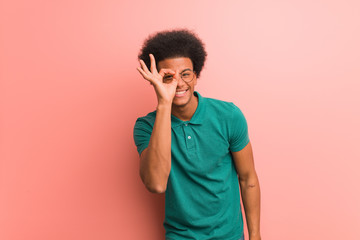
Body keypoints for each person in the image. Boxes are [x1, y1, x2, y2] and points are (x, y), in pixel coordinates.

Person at [133, 29, 261, 240]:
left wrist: (255, 237)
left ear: (196, 75)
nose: (180, 83)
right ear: (155, 80)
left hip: (230, 236)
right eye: (169, 77)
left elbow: (248, 179)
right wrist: (164, 102)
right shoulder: (146, 127)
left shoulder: (228, 116)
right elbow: (156, 184)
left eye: (185, 74)